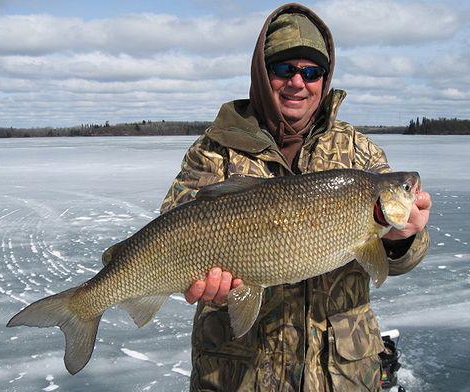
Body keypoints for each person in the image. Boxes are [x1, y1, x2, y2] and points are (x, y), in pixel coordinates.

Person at [160, 3, 431, 391]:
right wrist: (199, 279)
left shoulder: (359, 154)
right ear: (261, 72)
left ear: (325, 77)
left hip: (341, 376)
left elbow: (400, 261)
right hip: (239, 376)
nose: (297, 83)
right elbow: (173, 224)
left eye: (311, 72)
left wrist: (403, 239)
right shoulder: (215, 150)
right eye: (284, 69)